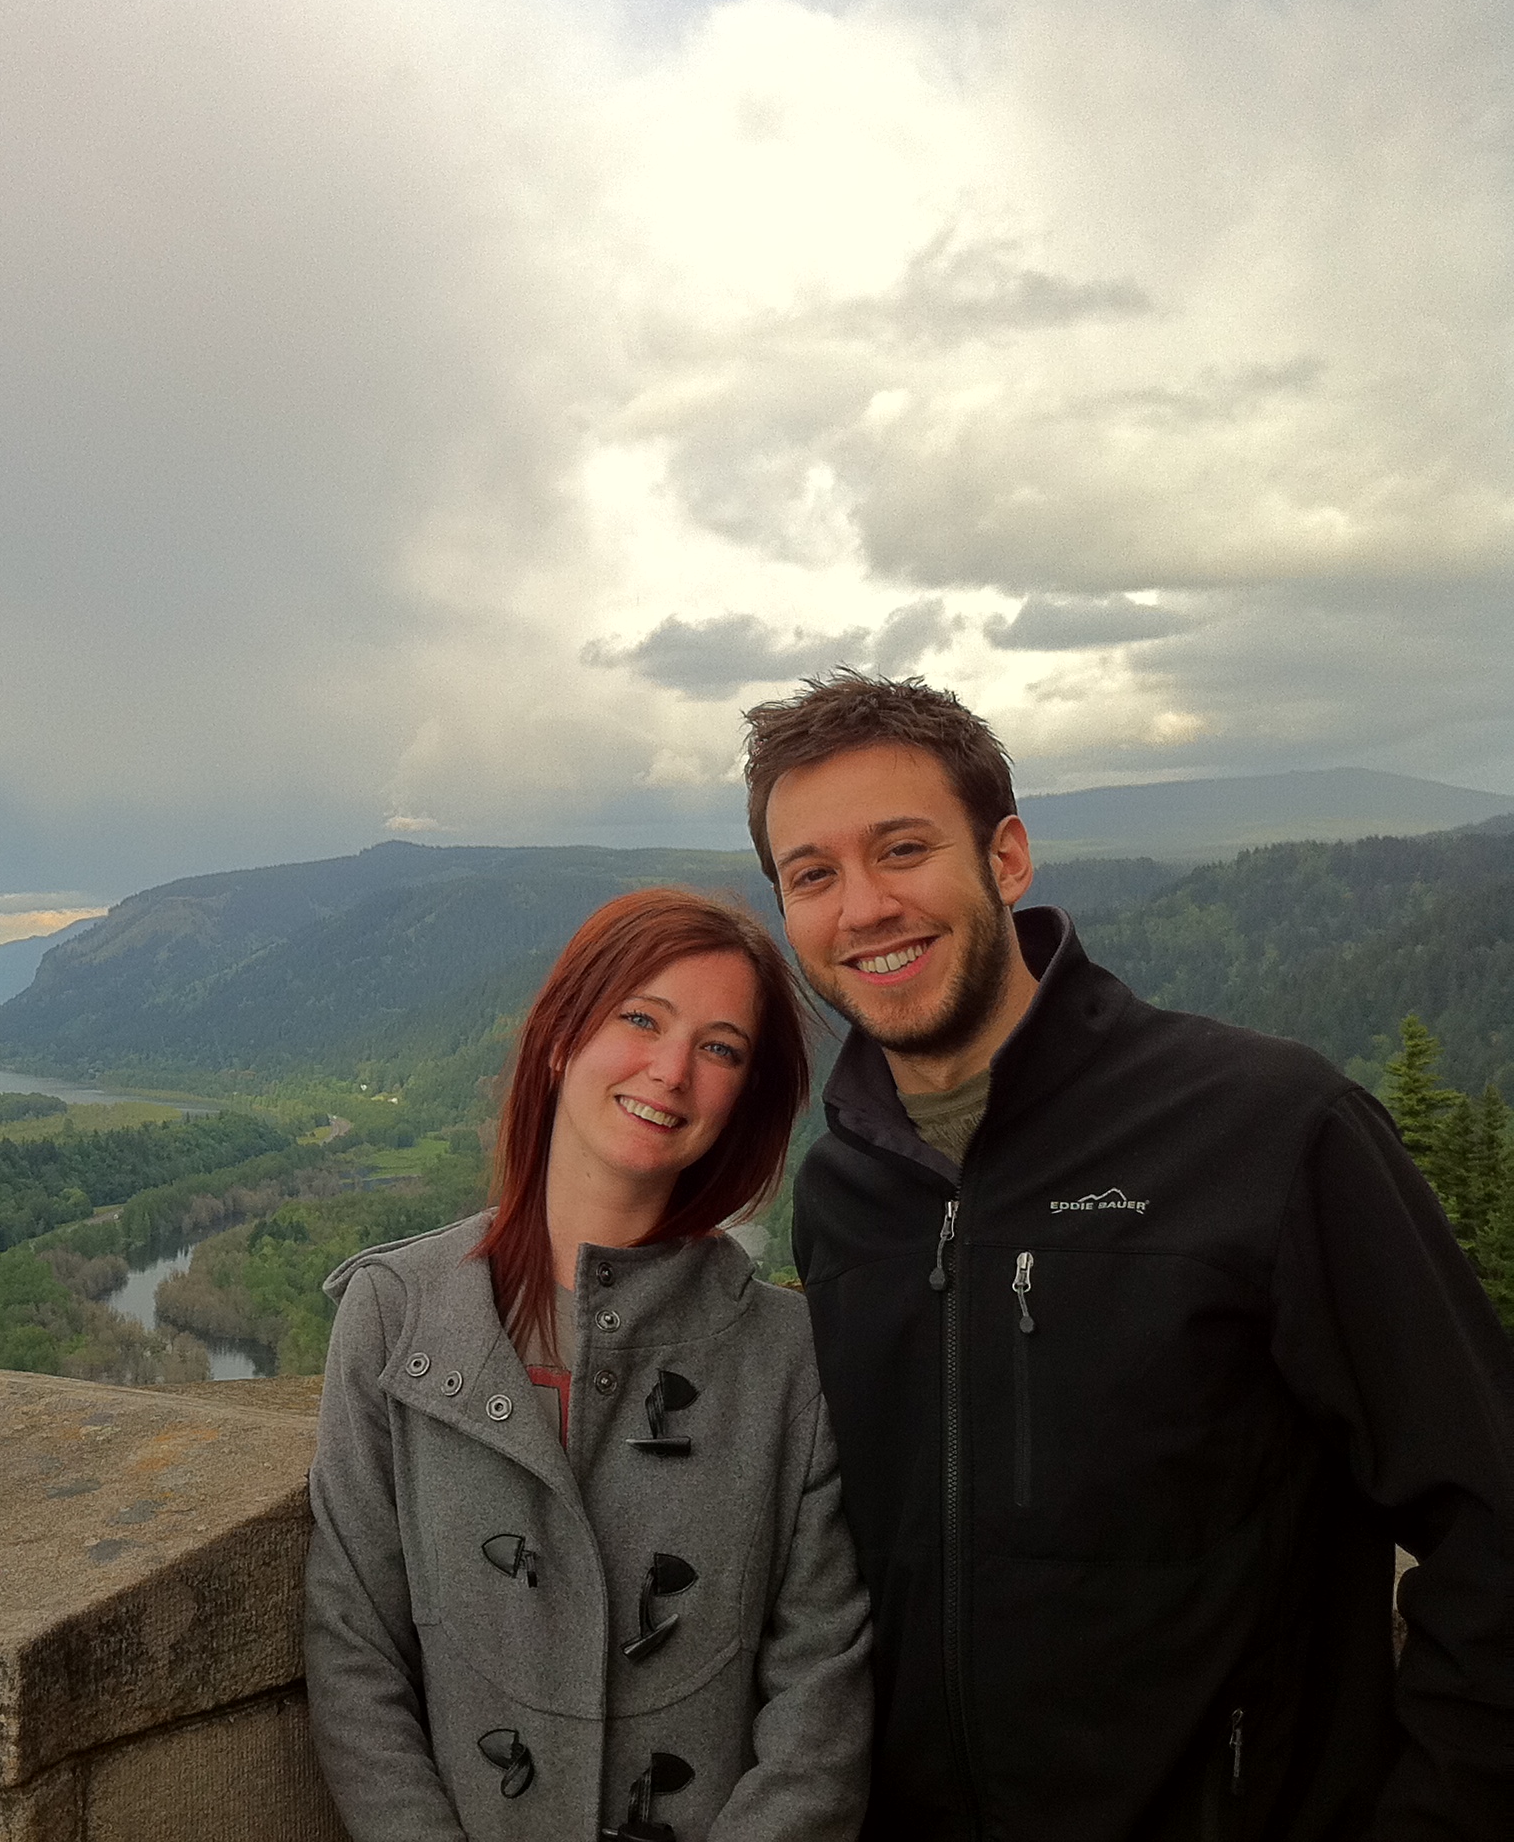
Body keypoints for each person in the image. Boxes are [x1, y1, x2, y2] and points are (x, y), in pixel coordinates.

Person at [743, 670, 1514, 1840]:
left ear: (1007, 859)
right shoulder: (846, 1188)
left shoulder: (1268, 1129)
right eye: (813, 875)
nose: (862, 906)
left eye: (901, 848)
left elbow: (1490, 1511)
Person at [305, 887, 873, 1842]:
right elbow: (354, 1649)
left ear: (743, 1098)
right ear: (564, 1034)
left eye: (720, 1048)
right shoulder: (395, 1316)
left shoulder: (788, 1363)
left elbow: (819, 1701)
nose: (671, 1070)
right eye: (641, 1018)